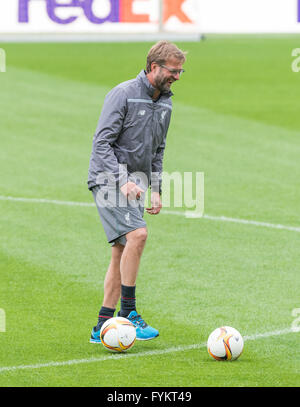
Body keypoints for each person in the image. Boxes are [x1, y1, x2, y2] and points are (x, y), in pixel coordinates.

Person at [87, 40, 186, 342]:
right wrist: (122, 179)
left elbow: (158, 150)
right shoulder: (123, 94)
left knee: (121, 251)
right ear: (154, 66)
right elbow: (101, 143)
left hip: (136, 184)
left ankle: (102, 324)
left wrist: (155, 188)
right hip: (109, 179)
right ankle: (128, 312)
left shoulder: (166, 102)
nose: (178, 77)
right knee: (138, 235)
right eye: (173, 71)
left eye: (181, 72)